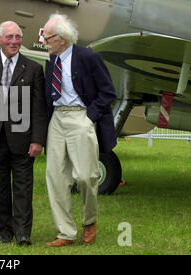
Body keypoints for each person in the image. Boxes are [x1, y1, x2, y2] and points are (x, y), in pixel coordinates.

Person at [42, 13, 117, 247]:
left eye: (47, 37)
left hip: (80, 116)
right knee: (56, 177)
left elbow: (108, 92)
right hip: (57, 118)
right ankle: (66, 233)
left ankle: (90, 220)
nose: (44, 41)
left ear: (62, 39)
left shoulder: (89, 57)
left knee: (86, 176)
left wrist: (89, 117)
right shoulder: (51, 60)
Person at [0, 21, 48, 246]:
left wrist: (37, 140)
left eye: (18, 37)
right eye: (9, 37)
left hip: (23, 139)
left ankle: (23, 233)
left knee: (23, 188)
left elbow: (39, 109)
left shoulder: (33, 68)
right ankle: (3, 231)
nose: (14, 41)